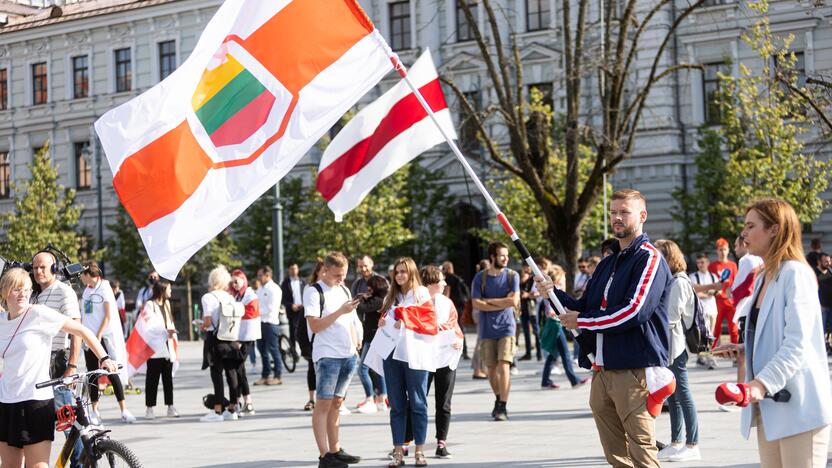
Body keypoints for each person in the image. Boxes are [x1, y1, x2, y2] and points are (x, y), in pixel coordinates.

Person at [535, 188, 672, 468]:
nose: (617, 218)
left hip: (634, 369)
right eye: (613, 212)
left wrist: (583, 321)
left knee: (643, 453)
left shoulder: (649, 258)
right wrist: (552, 292)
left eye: (624, 212)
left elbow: (635, 311)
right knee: (616, 457)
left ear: (642, 216)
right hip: (603, 369)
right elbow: (585, 307)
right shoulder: (607, 263)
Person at [714, 198, 832, 468]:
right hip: (769, 407)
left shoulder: (796, 274)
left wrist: (758, 386)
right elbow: (771, 332)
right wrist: (745, 348)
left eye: (750, 225)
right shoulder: (763, 275)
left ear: (775, 230)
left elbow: (798, 344)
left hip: (799, 406)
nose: (743, 233)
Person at [0, 268, 118, 468]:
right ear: (4, 292)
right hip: (6, 401)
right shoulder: (2, 322)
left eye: (27, 289)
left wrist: (104, 357)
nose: (23, 294)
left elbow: (80, 330)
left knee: (37, 466)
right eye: (16, 289)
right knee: (9, 466)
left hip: (35, 401)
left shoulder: (38, 314)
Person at [304, 252, 363, 468]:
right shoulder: (314, 291)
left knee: (337, 403)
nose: (341, 279)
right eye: (338, 275)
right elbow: (315, 326)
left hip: (347, 354)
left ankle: (335, 449)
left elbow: (351, 320)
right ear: (325, 270)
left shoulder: (344, 289)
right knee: (323, 404)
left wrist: (356, 342)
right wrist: (340, 311)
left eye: (344, 275)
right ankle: (324, 455)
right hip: (327, 354)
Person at [31, 251, 83, 467]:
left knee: (67, 420)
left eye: (43, 267)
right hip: (36, 363)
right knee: (39, 419)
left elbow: (77, 331)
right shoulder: (33, 294)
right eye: (35, 268)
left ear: (54, 268)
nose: (38, 272)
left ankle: (79, 463)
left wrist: (71, 365)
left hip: (57, 363)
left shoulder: (63, 292)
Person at [381, 258, 432, 467]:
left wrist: (405, 318)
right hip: (392, 355)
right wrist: (383, 321)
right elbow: (384, 320)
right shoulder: (390, 296)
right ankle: (398, 451)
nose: (400, 275)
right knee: (397, 405)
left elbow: (429, 320)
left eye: (404, 271)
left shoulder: (421, 293)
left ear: (411, 273)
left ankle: (420, 450)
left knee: (419, 403)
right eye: (397, 272)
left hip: (415, 356)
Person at [654, 239, 701, 462]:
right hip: (669, 345)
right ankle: (676, 442)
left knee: (683, 394)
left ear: (670, 257)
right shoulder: (670, 280)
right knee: (673, 396)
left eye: (660, 255)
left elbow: (670, 318)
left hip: (676, 346)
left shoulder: (679, 282)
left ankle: (692, 444)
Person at [79, 261, 135, 424]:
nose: (80, 278)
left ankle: (124, 409)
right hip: (89, 338)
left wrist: (98, 335)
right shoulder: (86, 291)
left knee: (111, 372)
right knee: (92, 374)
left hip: (103, 338)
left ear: (88, 274)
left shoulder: (104, 287)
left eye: (82, 275)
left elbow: (108, 316)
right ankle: (95, 411)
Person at [471, 242, 520, 422]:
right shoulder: (480, 278)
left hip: (507, 327)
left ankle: (503, 406)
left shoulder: (512, 276)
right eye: (502, 255)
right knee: (491, 369)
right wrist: (502, 301)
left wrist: (489, 302)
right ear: (492, 257)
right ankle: (499, 398)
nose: (506, 259)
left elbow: (513, 301)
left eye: (507, 255)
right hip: (486, 329)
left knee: (504, 365)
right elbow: (476, 303)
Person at [421, 265, 463, 460]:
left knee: (443, 402)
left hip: (445, 357)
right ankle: (405, 443)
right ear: (430, 283)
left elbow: (455, 326)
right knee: (417, 402)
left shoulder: (447, 302)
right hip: (422, 358)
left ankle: (441, 442)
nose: (445, 283)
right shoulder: (416, 302)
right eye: (441, 280)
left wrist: (457, 341)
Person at [199, 266, 241, 422]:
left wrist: (201, 325)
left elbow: (208, 321)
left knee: (217, 374)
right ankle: (232, 408)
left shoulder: (208, 297)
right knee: (232, 374)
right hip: (230, 339)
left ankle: (217, 411)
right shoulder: (230, 297)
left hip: (215, 339)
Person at [539, 264, 587, 390]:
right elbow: (550, 311)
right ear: (559, 278)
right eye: (564, 277)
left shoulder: (552, 289)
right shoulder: (554, 290)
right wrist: (564, 313)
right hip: (555, 324)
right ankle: (574, 380)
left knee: (553, 353)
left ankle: (545, 381)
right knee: (564, 353)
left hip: (554, 324)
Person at [141, 280, 178, 419]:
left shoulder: (167, 304)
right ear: (162, 289)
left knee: (168, 379)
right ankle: (149, 408)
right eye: (169, 289)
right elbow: (148, 326)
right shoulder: (150, 305)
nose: (171, 291)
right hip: (154, 348)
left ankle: (170, 406)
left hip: (168, 346)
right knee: (152, 380)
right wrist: (164, 331)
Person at [732, 235, 765, 385]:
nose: (735, 249)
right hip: (758, 309)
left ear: (744, 245)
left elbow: (737, 288)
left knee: (743, 355)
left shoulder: (746, 260)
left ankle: (741, 391)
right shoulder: (760, 260)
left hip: (746, 310)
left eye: (736, 245)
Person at [354, 274, 389, 413]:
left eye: (369, 286)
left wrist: (361, 298)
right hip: (373, 338)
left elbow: (360, 308)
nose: (367, 288)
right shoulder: (379, 299)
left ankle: (370, 398)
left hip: (372, 339)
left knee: (362, 370)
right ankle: (382, 399)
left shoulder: (378, 301)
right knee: (378, 369)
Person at [229, 269, 261, 416]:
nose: (234, 284)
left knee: (239, 368)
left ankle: (246, 402)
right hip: (238, 336)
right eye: (232, 282)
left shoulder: (250, 295)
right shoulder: (238, 295)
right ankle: (243, 401)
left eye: (237, 281)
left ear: (243, 280)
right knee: (237, 368)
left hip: (246, 337)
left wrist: (234, 311)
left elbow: (250, 315)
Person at [690, 253, 721, 369]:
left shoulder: (713, 276)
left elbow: (719, 290)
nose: (700, 265)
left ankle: (701, 357)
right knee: (706, 336)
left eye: (702, 262)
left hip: (713, 309)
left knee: (710, 334)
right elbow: (695, 292)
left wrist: (708, 292)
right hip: (700, 311)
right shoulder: (693, 276)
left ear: (708, 263)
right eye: (698, 263)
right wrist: (709, 291)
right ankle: (710, 359)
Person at [255, 266, 283, 386]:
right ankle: (265, 375)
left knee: (273, 350)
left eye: (260, 275)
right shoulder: (260, 289)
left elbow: (271, 308)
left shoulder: (274, 289)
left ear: (268, 275)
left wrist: (255, 311)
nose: (259, 278)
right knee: (262, 350)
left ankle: (278, 375)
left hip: (270, 323)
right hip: (260, 323)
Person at [710, 238, 739, 345]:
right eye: (720, 250)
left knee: (734, 329)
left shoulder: (733, 265)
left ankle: (736, 355)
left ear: (728, 250)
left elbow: (736, 282)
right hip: (717, 301)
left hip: (730, 301)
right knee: (715, 329)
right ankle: (712, 353)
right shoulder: (712, 266)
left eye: (724, 249)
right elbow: (710, 283)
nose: (722, 252)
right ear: (717, 251)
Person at [441, 261, 470, 360]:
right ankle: (464, 350)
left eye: (443, 268)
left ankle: (461, 348)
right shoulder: (457, 277)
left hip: (454, 305)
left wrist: (442, 304)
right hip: (461, 304)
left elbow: (447, 293)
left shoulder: (448, 278)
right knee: (459, 326)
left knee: (454, 326)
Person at [281, 263, 306, 353]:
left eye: (295, 268)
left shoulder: (303, 281)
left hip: (302, 309)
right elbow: (283, 298)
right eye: (292, 269)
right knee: (293, 331)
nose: (294, 270)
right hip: (292, 310)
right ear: (289, 270)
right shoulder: (285, 283)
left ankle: (304, 349)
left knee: (303, 330)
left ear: (298, 269)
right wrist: (291, 305)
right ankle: (293, 351)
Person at [518, 264, 541, 361]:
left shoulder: (533, 279)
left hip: (532, 307)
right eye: (525, 267)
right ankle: (528, 353)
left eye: (528, 266)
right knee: (526, 332)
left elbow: (537, 292)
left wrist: (527, 295)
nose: (527, 269)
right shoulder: (518, 279)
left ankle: (539, 353)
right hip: (522, 308)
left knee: (536, 331)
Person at [816, 253, 832, 345]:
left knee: (829, 329)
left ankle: (828, 345)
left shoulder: (830, 272)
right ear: (819, 262)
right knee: (821, 329)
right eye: (825, 261)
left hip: (830, 305)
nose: (828, 263)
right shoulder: (814, 273)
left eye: (829, 261)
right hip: (821, 307)